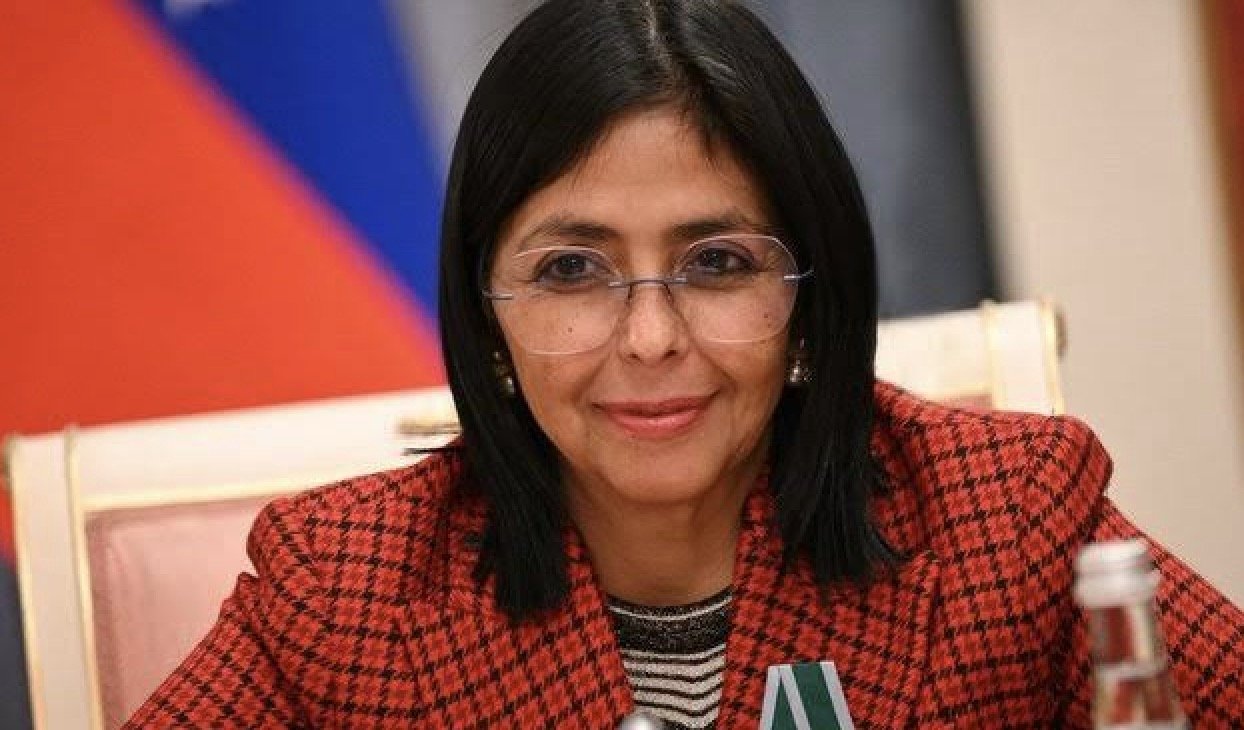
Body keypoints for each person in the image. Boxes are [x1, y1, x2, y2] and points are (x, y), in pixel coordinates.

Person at [126, 1, 1244, 727]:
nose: (651, 338)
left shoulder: (1004, 519)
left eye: (715, 262)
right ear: (486, 317)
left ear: (809, 297)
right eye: (571, 270)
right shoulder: (350, 591)